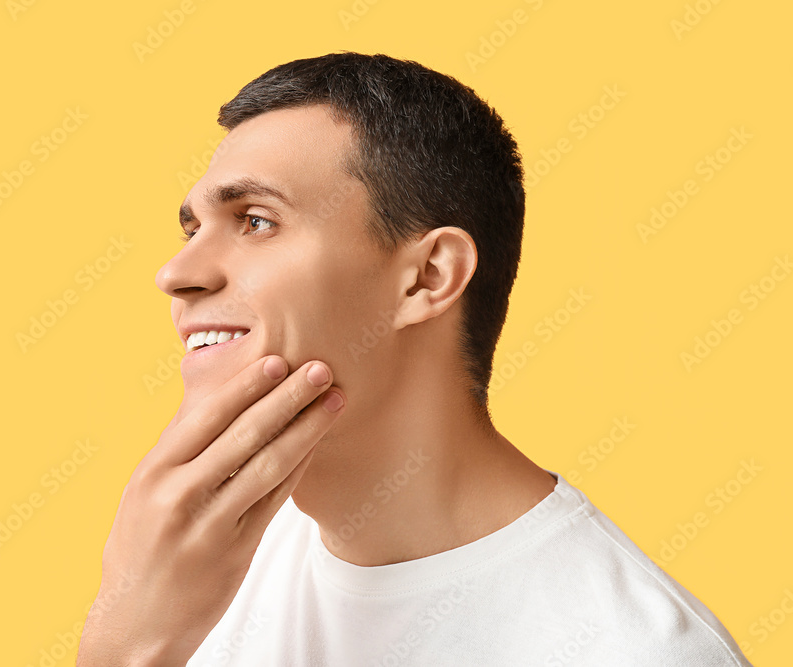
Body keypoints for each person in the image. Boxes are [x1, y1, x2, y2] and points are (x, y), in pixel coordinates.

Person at [77, 52, 751, 666]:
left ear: (429, 276)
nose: (176, 273)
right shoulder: (193, 560)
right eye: (193, 228)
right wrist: (127, 638)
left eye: (255, 220)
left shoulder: (635, 650)